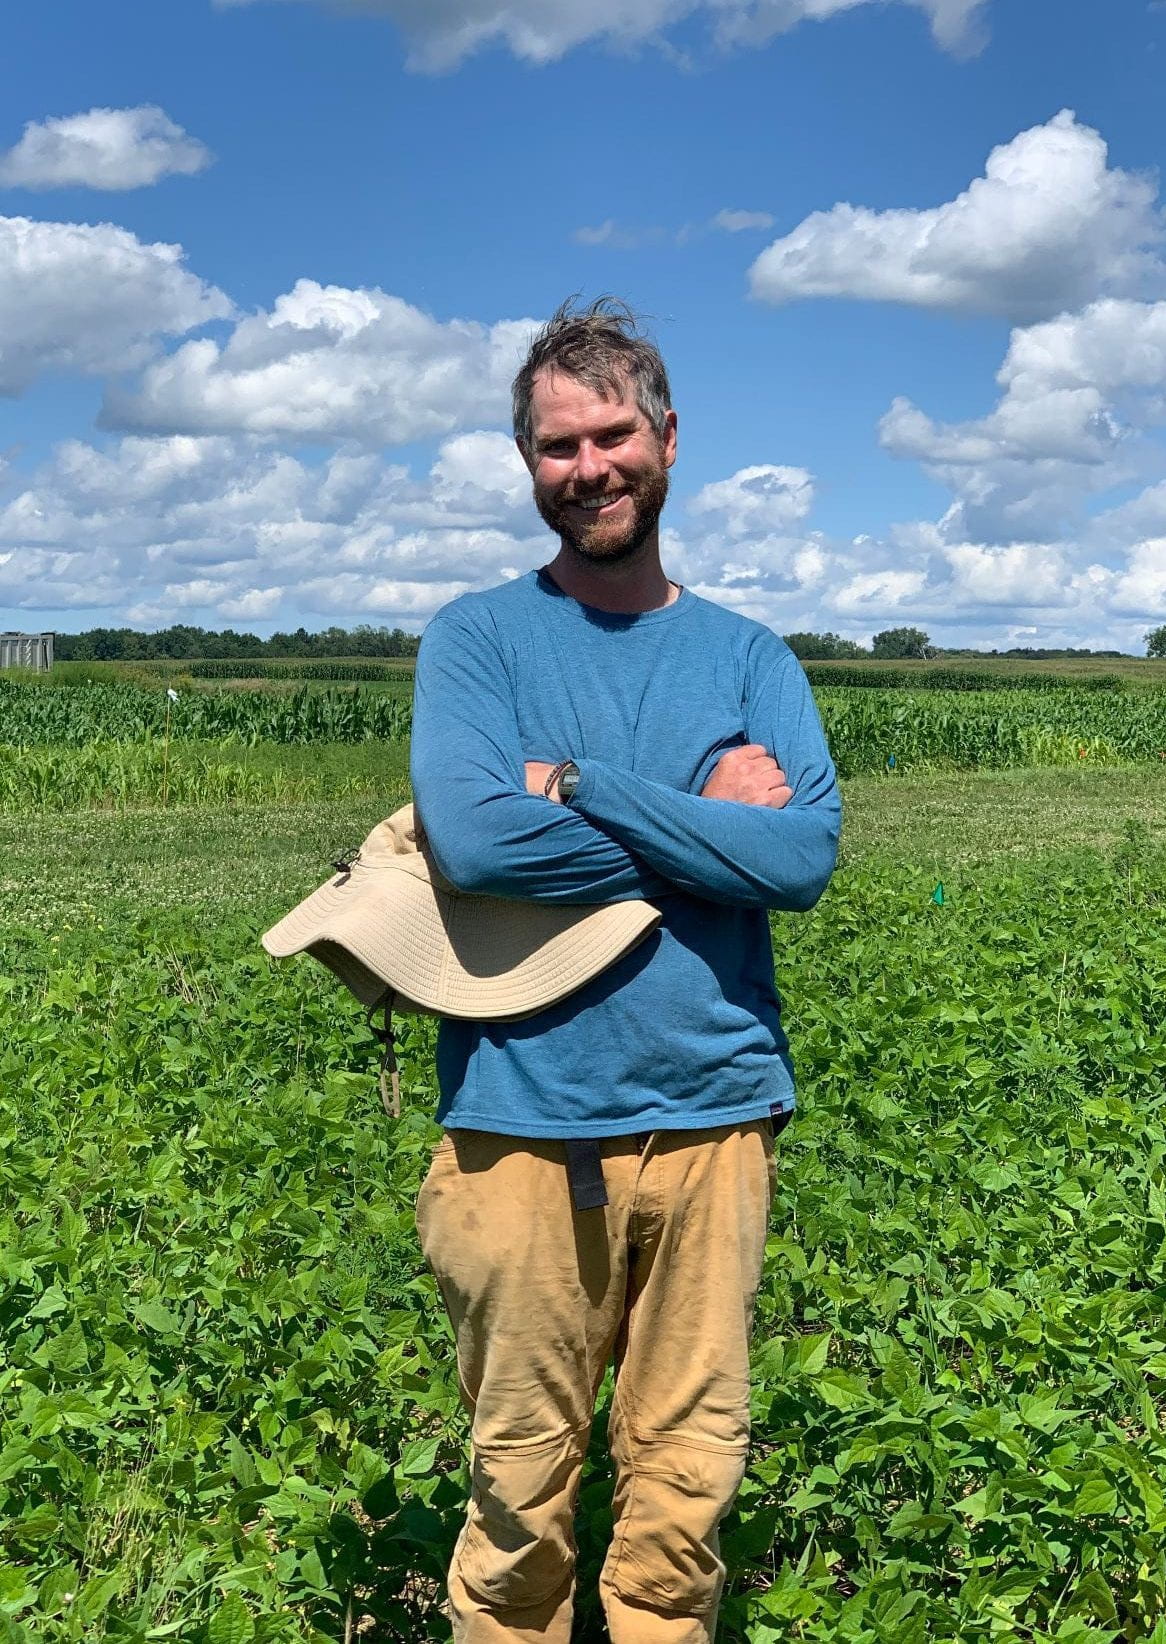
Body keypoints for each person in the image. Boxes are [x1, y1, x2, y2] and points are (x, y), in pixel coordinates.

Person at [409, 297, 841, 1643]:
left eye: (612, 436)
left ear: (666, 439)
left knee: (685, 1490)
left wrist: (580, 790)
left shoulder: (748, 656)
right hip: (522, 1125)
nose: (588, 468)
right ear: (526, 462)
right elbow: (475, 837)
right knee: (517, 1491)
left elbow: (802, 856)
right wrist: (700, 819)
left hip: (716, 1116)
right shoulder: (478, 638)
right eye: (556, 447)